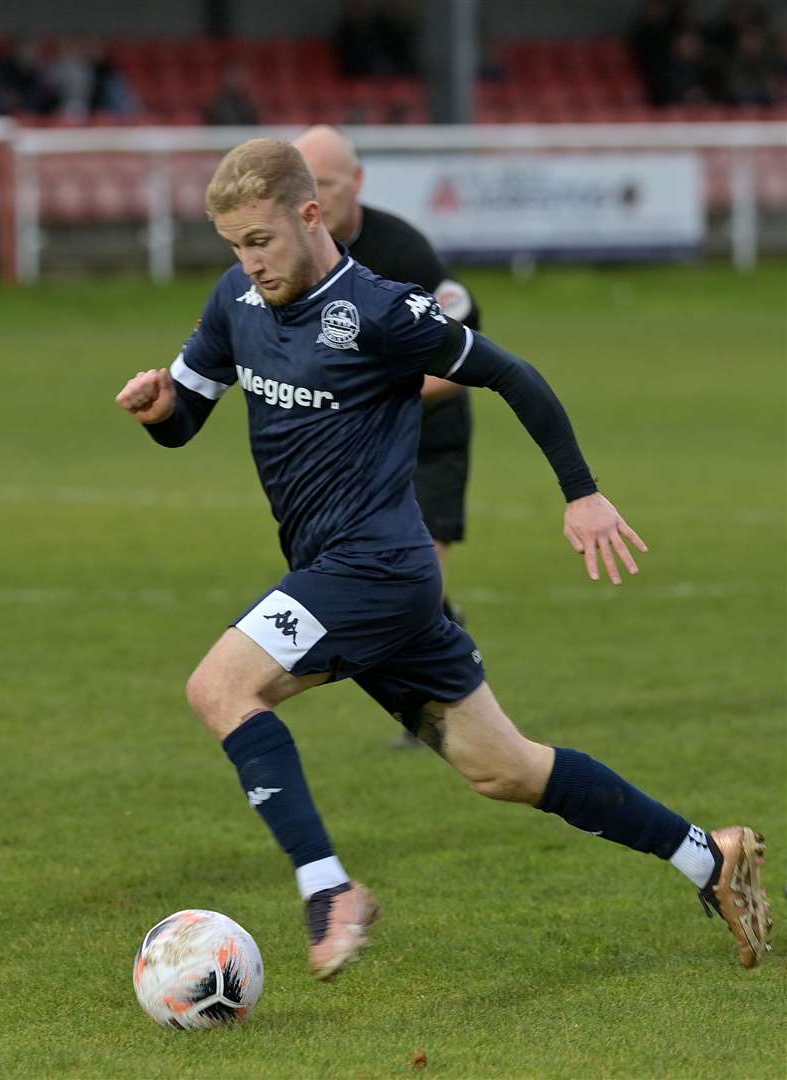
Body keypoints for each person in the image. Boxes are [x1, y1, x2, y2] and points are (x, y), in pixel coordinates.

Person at [114, 138, 770, 979]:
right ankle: (709, 859)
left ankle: (329, 892)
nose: (249, 261)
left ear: (310, 215)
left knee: (219, 688)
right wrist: (159, 408)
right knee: (507, 769)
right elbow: (186, 417)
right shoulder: (236, 301)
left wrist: (582, 492)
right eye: (235, 245)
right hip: (364, 585)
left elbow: (514, 374)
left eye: (261, 241)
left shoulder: (383, 310)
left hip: (373, 568)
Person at [294, 124, 477, 751]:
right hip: (363, 449)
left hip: (431, 439)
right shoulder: (291, 260)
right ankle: (436, 693)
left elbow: (467, 354)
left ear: (358, 183)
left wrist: (376, 392)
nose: (313, 197)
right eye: (303, 184)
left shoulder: (404, 251)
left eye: (326, 183)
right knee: (388, 581)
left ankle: (451, 702)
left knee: (418, 571)